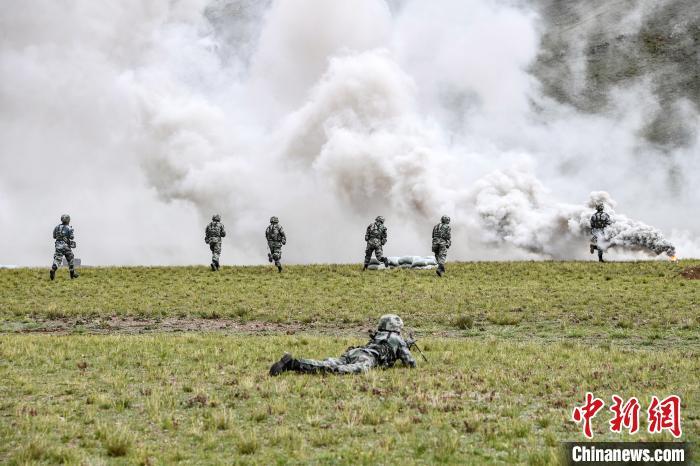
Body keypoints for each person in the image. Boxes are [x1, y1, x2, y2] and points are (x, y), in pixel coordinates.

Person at [269, 314, 416, 376]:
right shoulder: (397, 338)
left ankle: (294, 363)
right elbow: (410, 364)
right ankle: (294, 365)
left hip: (356, 352)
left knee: (328, 362)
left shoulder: (379, 335)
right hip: (367, 358)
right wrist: (405, 347)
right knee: (339, 370)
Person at [50, 214, 78, 280]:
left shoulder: (56, 227)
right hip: (66, 246)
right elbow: (72, 237)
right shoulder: (69, 228)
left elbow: (54, 236)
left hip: (58, 246)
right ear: (68, 220)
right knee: (70, 258)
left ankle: (53, 270)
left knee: (57, 259)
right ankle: (72, 274)